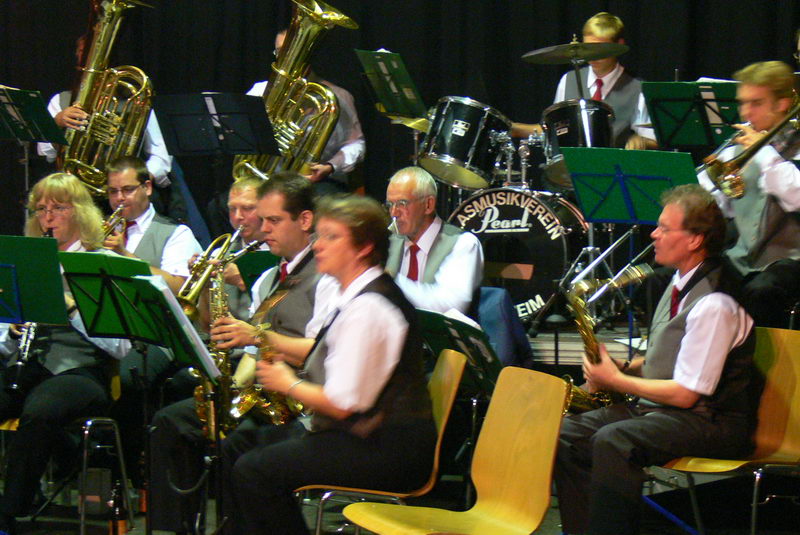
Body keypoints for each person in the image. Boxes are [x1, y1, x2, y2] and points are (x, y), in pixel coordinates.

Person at [222, 194, 435, 535]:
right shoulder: (351, 295)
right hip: (361, 435)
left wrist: (286, 383)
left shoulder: (369, 309)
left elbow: (345, 403)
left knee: (255, 471)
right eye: (319, 235)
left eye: (331, 237)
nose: (318, 245)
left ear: (363, 247)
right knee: (240, 445)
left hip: (386, 449)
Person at [554, 184, 757, 535]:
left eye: (665, 227)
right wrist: (621, 368)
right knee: (564, 434)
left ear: (695, 240)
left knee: (615, 441)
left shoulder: (716, 303)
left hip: (712, 421)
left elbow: (687, 394)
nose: (654, 234)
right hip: (665, 412)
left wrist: (617, 382)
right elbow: (672, 358)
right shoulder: (678, 283)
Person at [148, 172, 325, 534]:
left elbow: (326, 351)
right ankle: (177, 528)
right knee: (170, 422)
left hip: (303, 400)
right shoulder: (271, 276)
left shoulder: (326, 275)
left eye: (273, 220)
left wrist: (256, 337)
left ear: (305, 221)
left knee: (238, 444)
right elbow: (236, 337)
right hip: (261, 390)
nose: (262, 228)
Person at [0, 173, 131, 535]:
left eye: (58, 208)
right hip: (28, 363)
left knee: (41, 411)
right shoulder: (25, 262)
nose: (48, 218)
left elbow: (121, 346)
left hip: (83, 370)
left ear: (81, 214)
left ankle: (11, 513)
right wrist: (11, 333)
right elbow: (1, 340)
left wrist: (71, 310)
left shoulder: (100, 262)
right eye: (41, 209)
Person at [697, 61, 800, 328]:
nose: (745, 112)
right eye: (742, 103)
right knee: (685, 277)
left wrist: (764, 150)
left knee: (761, 291)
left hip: (790, 259)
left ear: (782, 104)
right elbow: (727, 209)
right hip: (743, 256)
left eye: (756, 103)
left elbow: (795, 196)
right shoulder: (736, 150)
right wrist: (712, 190)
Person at [513, 12, 656, 150]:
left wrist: (641, 141)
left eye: (600, 49)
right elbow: (553, 130)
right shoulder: (568, 80)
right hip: (570, 169)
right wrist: (515, 128)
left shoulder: (637, 89)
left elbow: (653, 140)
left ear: (619, 45)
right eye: (588, 48)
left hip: (616, 170)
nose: (593, 56)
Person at [246, 29, 366, 195]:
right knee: (221, 205)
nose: (287, 58)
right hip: (267, 178)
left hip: (316, 181)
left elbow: (355, 143)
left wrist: (330, 166)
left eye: (293, 51)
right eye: (281, 51)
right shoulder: (259, 92)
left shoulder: (337, 96)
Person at [385, 166, 483, 314]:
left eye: (402, 203)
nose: (394, 213)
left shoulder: (462, 244)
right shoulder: (388, 239)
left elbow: (450, 305)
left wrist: (387, 280)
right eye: (390, 204)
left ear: (428, 204)